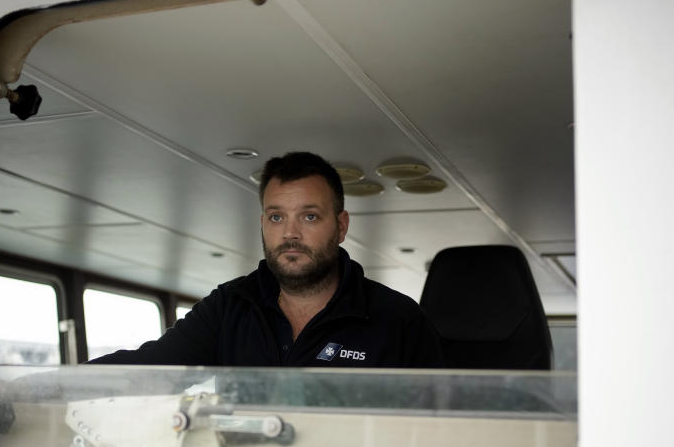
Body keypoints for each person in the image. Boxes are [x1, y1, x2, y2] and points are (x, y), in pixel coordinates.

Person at [93, 151, 443, 367]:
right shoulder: (229, 307)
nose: (290, 234)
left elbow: (441, 434)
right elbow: (149, 368)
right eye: (276, 217)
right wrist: (53, 386)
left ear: (340, 225)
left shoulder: (398, 320)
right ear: (263, 224)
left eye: (309, 217)